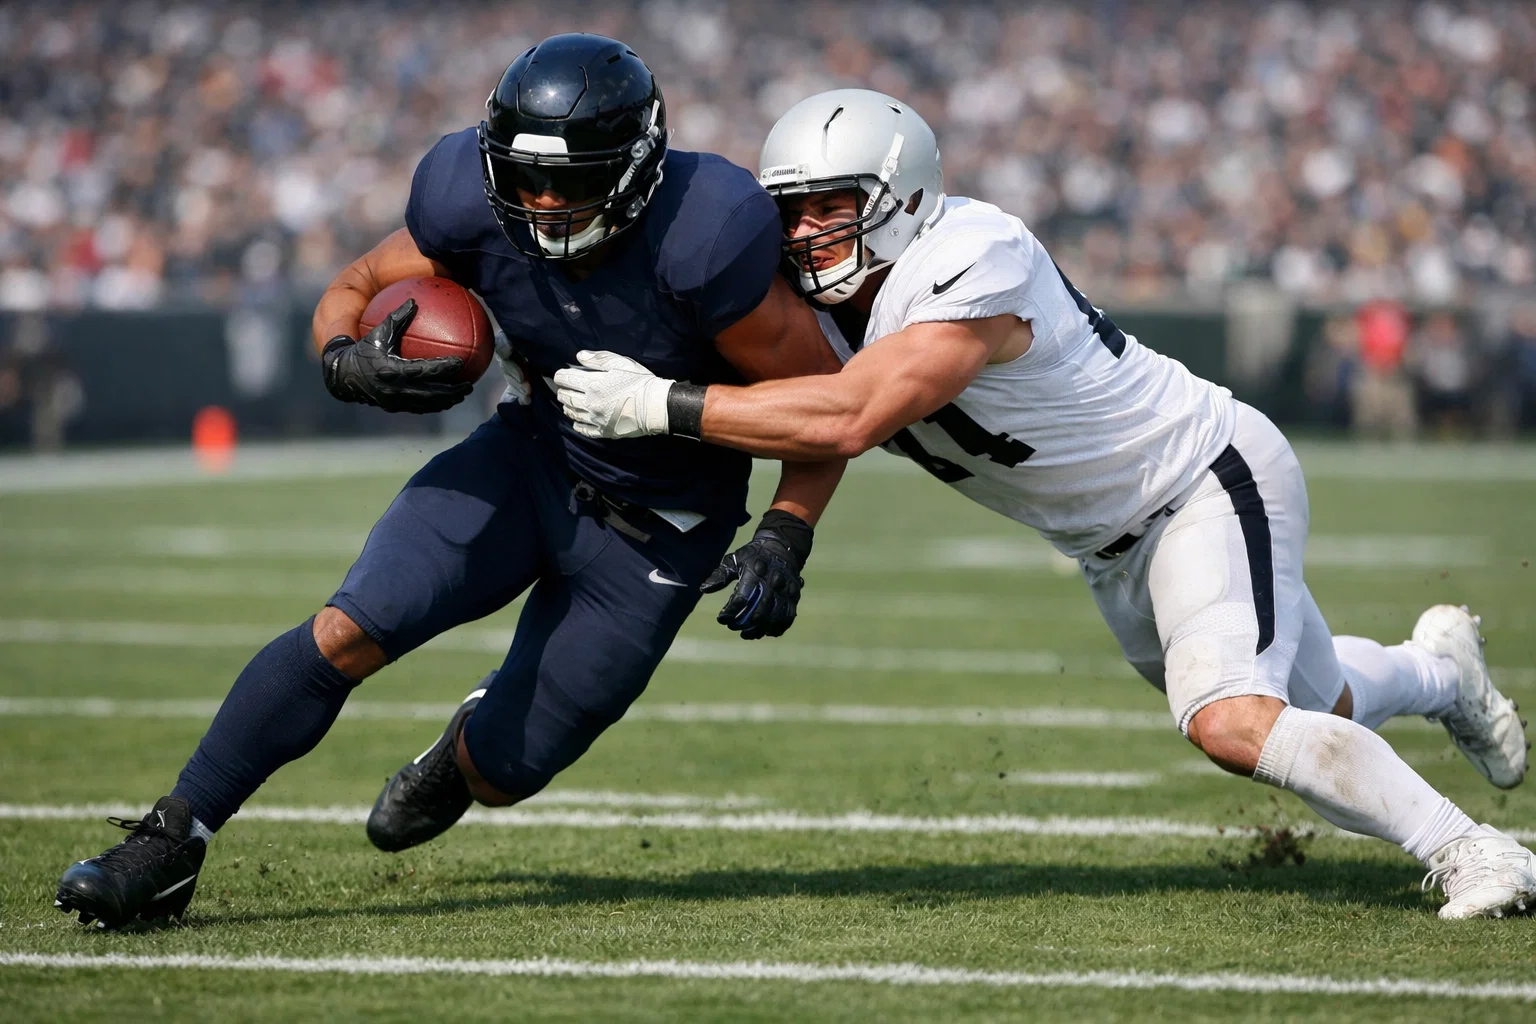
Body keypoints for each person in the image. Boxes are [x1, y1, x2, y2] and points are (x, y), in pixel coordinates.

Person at [554, 89, 1536, 920]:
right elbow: (812, 406)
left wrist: (661, 405)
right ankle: (1438, 671)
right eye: (792, 213)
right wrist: (785, 527)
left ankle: (1476, 850)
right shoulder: (818, 307)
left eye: (830, 205)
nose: (806, 232)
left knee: (1232, 717)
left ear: (900, 197)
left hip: (1200, 477)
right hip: (1112, 545)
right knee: (1321, 707)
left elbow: (852, 415)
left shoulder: (974, 254)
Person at [52, 34, 842, 930]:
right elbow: (354, 284)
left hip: (663, 523)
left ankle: (461, 750)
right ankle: (170, 840)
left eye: (570, 178)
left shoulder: (706, 236)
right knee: (348, 629)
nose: (542, 202)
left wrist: (787, 527)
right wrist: (343, 360)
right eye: (524, 176)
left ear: (637, 168)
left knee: (507, 770)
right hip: (529, 459)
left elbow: (825, 410)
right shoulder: (465, 200)